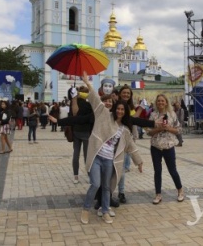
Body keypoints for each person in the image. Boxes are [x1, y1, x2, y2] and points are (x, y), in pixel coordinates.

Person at [79, 71, 143, 225]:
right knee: (95, 184)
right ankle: (86, 209)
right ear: (115, 109)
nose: (120, 111)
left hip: (109, 160)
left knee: (107, 186)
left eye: (122, 110)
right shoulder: (104, 114)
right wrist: (88, 83)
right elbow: (95, 98)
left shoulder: (125, 130)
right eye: (118, 109)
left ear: (125, 112)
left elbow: (131, 146)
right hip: (96, 156)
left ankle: (106, 211)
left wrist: (139, 162)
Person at [147, 94, 185, 204]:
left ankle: (180, 190)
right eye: (158, 101)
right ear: (156, 102)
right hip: (156, 147)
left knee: (172, 170)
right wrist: (158, 129)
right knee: (157, 171)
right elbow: (149, 132)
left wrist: (168, 128)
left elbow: (179, 130)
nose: (160, 103)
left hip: (169, 146)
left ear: (166, 102)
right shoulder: (153, 115)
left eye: (162, 101)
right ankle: (158, 194)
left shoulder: (172, 115)